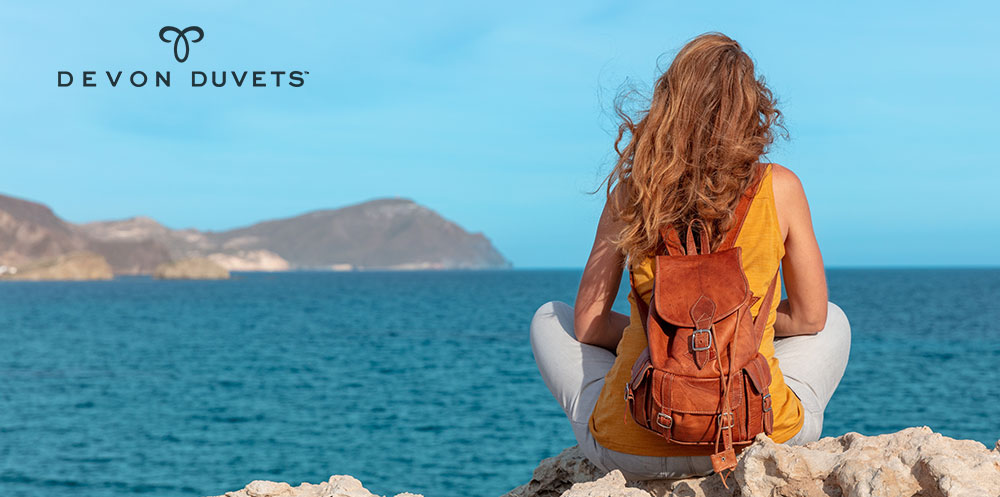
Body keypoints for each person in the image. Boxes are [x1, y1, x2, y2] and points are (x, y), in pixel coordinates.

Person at [529, 32, 851, 480]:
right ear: (752, 107)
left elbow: (588, 325)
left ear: (668, 103)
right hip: (751, 439)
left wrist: (666, 331)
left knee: (549, 317)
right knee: (835, 320)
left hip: (632, 447)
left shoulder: (633, 191)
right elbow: (810, 319)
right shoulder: (782, 187)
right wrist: (732, 330)